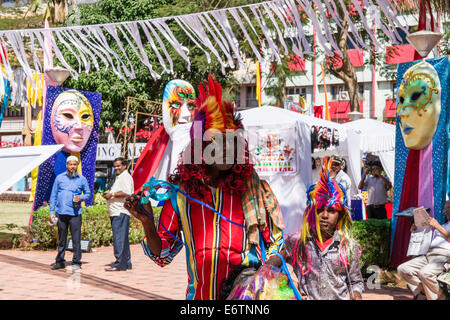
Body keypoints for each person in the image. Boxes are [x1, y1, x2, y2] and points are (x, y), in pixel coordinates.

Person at [124, 75, 285, 300]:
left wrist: (266, 273)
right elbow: (162, 255)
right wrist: (148, 223)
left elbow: (277, 243)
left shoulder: (255, 191)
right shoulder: (181, 194)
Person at [286, 157, 364, 300]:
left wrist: (356, 294)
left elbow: (355, 281)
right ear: (311, 213)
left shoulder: (347, 246)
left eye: (331, 211)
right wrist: (292, 288)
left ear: (340, 215)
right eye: (319, 210)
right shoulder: (296, 242)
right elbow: (284, 271)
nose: (325, 215)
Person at [397, 200, 450, 300]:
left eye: (448, 208)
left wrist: (437, 226)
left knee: (425, 273)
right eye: (445, 208)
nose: (446, 211)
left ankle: (434, 296)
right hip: (429, 254)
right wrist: (416, 230)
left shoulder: (440, 226)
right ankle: (437, 295)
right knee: (403, 269)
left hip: (444, 256)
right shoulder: (444, 226)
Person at [49, 156, 91, 270]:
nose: (72, 166)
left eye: (74, 164)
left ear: (77, 165)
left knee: (76, 239)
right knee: (61, 239)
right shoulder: (59, 178)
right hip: (61, 214)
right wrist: (51, 212)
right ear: (67, 165)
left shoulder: (82, 179)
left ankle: (76, 262)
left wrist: (80, 197)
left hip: (75, 214)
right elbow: (53, 196)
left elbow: (88, 194)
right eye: (70, 164)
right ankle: (60, 261)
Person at [103, 157, 134, 271]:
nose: (116, 168)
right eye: (115, 166)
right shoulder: (120, 177)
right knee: (123, 238)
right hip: (117, 211)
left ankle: (119, 264)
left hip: (120, 211)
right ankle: (126, 262)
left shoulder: (125, 177)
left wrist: (112, 195)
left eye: (118, 166)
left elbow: (127, 192)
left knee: (119, 238)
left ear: (124, 166)